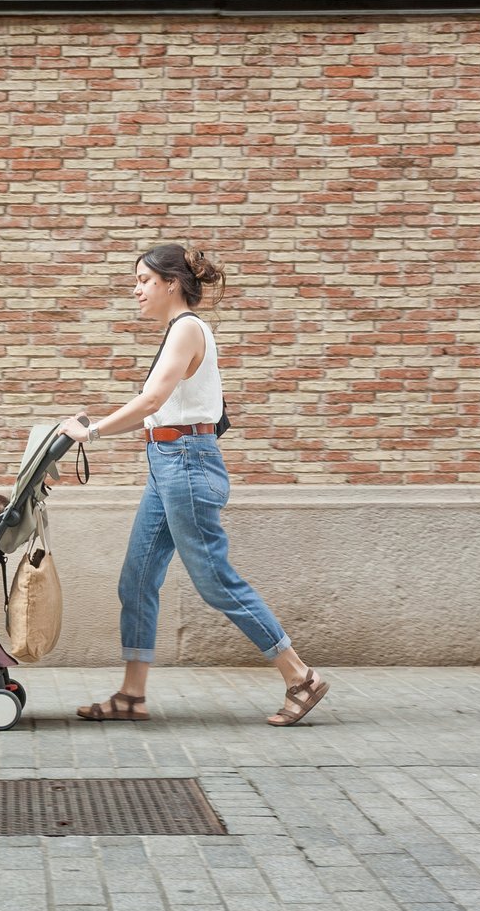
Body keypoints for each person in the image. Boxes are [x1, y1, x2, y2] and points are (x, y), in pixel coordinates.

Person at [61, 244, 327, 727]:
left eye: (143, 280)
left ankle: (300, 676)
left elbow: (153, 398)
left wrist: (92, 430)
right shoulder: (177, 332)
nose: (135, 289)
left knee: (213, 579)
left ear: (170, 282)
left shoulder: (187, 328)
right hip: (166, 462)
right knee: (137, 579)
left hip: (186, 463)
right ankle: (132, 695)